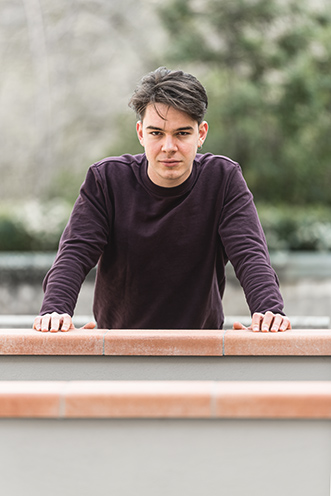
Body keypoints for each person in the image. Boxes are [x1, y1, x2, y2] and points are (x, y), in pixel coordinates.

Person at [33, 67, 291, 333]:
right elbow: (75, 252)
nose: (169, 147)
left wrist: (268, 310)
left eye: (182, 133)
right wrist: (56, 310)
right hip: (118, 349)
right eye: (156, 133)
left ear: (200, 134)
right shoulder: (107, 180)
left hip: (201, 350)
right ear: (141, 133)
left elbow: (249, 253)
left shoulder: (222, 179)